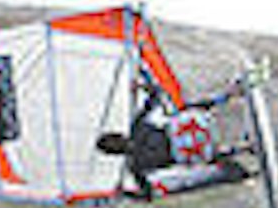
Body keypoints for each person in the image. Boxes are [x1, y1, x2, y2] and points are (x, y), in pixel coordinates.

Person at [97, 74, 250, 200]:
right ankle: (243, 149)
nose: (117, 144)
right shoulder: (136, 165)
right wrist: (126, 194)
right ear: (115, 154)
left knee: (185, 110)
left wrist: (142, 86)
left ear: (118, 135)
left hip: (184, 133)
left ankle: (230, 95)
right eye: (112, 147)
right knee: (196, 157)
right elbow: (148, 195)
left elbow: (156, 96)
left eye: (114, 141)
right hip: (186, 152)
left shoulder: (137, 130)